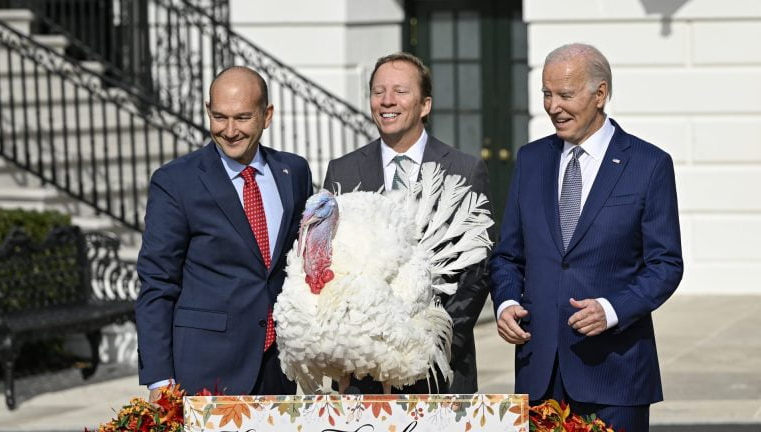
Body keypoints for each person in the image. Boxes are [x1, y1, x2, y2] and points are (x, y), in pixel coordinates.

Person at [489, 43, 683, 430]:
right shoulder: (531, 160)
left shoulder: (649, 164)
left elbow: (665, 264)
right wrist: (507, 301)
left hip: (614, 374)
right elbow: (508, 255)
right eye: (546, 93)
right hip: (539, 374)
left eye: (565, 94)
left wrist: (613, 309)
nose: (552, 106)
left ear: (600, 94)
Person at [135, 66, 313, 399]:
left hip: (279, 368)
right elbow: (157, 282)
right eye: (220, 117)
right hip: (206, 369)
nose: (229, 131)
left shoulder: (294, 171)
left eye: (243, 118)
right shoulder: (176, 181)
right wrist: (159, 378)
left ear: (267, 115)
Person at [323, 52, 492, 394]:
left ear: (425, 105)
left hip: (439, 370)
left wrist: (428, 347)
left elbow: (477, 274)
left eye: (400, 91)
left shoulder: (464, 171)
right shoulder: (342, 171)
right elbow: (327, 266)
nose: (387, 101)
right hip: (361, 372)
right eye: (378, 91)